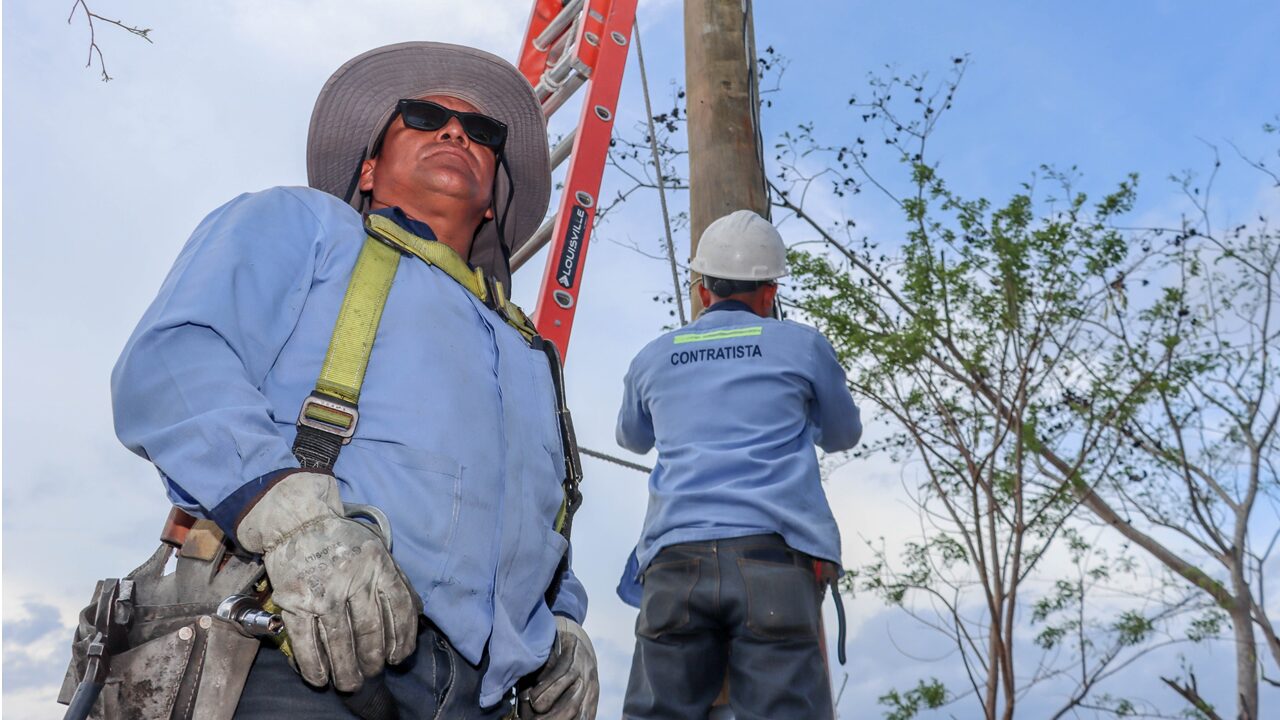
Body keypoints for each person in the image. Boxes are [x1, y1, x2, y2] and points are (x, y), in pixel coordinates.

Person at [109, 42, 597, 720]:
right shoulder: (306, 226)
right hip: (296, 654)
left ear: (491, 201)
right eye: (424, 117)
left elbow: (543, 513)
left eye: (482, 131)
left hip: (482, 698)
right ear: (369, 169)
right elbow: (172, 362)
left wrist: (561, 621)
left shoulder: (527, 345)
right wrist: (293, 520)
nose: (456, 131)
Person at [615, 210, 862, 720]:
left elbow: (632, 438)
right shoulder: (803, 346)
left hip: (675, 565)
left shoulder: (654, 356)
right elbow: (844, 434)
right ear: (769, 292)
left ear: (702, 289)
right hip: (775, 562)